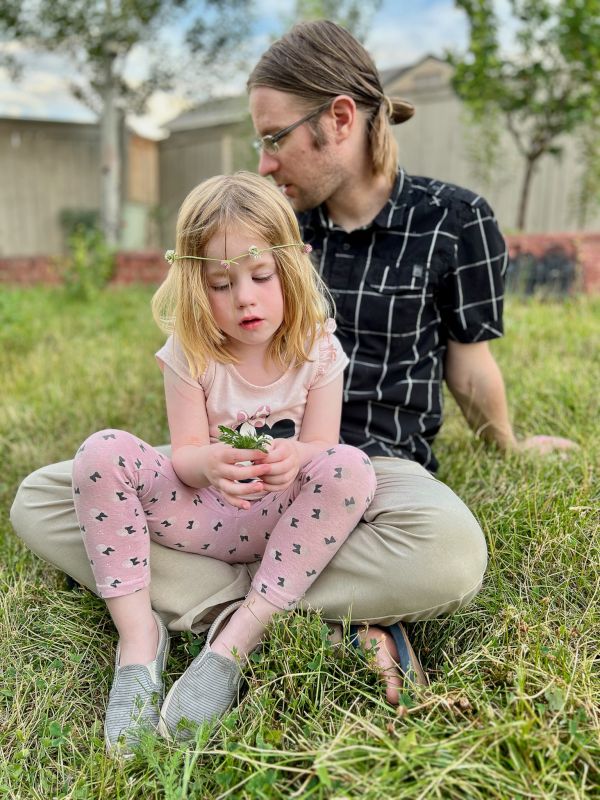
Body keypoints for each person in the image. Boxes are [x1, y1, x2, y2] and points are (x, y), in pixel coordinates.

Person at [10, 19, 575, 743]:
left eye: (274, 138)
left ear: (339, 119)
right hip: (237, 477)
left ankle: (219, 610)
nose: (266, 163)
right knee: (42, 499)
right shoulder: (270, 227)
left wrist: (509, 441)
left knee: (451, 553)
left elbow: (469, 361)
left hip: (371, 466)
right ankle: (310, 614)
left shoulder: (454, 220)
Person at [71, 171, 377, 750]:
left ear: (290, 268)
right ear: (194, 286)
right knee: (101, 452)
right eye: (220, 283)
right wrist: (208, 462)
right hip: (200, 515)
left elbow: (323, 446)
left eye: (261, 276)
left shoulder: (318, 347)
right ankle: (139, 642)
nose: (244, 297)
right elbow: (183, 456)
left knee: (352, 467)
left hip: (282, 522)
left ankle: (236, 640)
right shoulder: (192, 352)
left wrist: (298, 458)